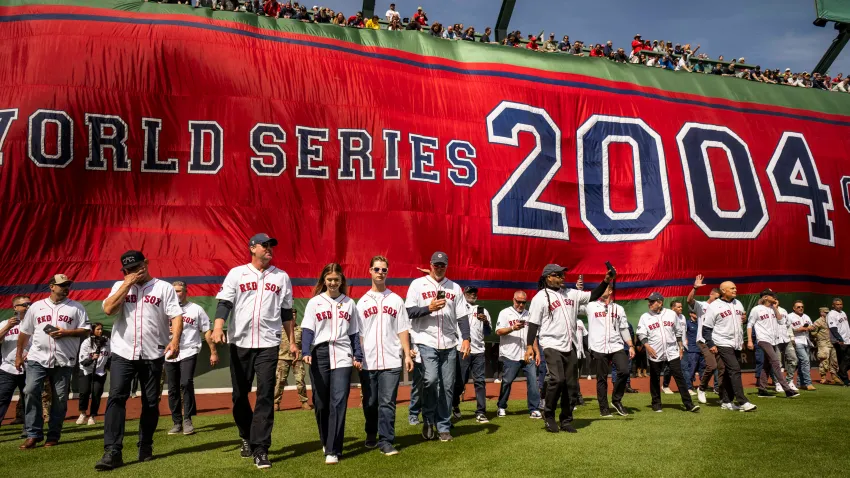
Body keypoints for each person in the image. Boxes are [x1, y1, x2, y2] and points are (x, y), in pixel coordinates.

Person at [211, 233, 295, 470]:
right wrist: (218, 327)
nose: (269, 249)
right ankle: (246, 435)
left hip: (269, 343)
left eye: (271, 246)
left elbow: (287, 312)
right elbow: (225, 302)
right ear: (252, 248)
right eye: (265, 245)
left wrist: (293, 341)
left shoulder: (281, 277)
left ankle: (261, 448)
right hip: (240, 343)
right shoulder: (237, 273)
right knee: (239, 396)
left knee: (266, 394)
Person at [95, 252, 182, 470]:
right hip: (123, 352)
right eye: (129, 269)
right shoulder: (119, 286)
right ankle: (112, 451)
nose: (134, 271)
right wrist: (127, 284)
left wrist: (175, 340)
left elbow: (176, 315)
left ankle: (146, 445)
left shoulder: (163, 288)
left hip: (153, 353)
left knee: (151, 403)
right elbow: (108, 309)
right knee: (116, 398)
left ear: (146, 263)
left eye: (137, 267)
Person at [525, 264, 614, 433]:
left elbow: (593, 295)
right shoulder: (540, 297)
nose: (562, 277)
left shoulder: (571, 293)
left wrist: (605, 281)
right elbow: (534, 324)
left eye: (563, 274)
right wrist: (530, 346)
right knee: (557, 379)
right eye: (558, 274)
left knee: (571, 385)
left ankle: (566, 420)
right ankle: (549, 414)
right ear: (548, 277)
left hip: (569, 344)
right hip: (550, 344)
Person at [17, 274, 90, 449]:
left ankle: (53, 435)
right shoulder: (36, 307)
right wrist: (19, 355)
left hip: (63, 359)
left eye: (67, 285)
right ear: (51, 286)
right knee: (30, 389)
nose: (65, 287)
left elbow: (86, 330)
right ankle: (33, 434)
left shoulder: (76, 307)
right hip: (38, 357)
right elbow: (24, 333)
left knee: (60, 399)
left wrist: (66, 333)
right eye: (62, 285)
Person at [405, 252, 471, 442]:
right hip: (426, 340)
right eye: (436, 264)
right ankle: (427, 419)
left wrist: (466, 338)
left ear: (447, 265)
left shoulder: (455, 288)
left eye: (442, 264)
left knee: (448, 386)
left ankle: (443, 425)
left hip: (449, 342)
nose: (439, 267)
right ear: (430, 264)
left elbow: (462, 316)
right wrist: (429, 308)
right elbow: (408, 311)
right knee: (431, 380)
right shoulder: (418, 285)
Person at [301, 263, 363, 465]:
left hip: (343, 352)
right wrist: (305, 350)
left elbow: (354, 332)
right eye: (329, 279)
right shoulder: (315, 303)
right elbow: (308, 329)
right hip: (320, 353)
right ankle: (326, 440)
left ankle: (333, 449)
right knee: (320, 402)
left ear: (341, 281)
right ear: (324, 281)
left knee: (339, 401)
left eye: (337, 279)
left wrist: (358, 355)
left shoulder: (349, 303)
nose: (333, 283)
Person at [355, 256, 413, 456]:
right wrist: (358, 356)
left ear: (388, 273)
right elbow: (359, 333)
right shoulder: (362, 302)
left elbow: (403, 329)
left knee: (387, 402)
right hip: (369, 360)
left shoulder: (396, 300)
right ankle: (371, 432)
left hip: (391, 359)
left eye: (384, 270)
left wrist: (407, 354)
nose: (380, 273)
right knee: (370, 402)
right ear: (370, 271)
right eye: (377, 269)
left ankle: (386, 440)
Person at [165, 282, 218, 436]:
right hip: (169, 352)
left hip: (189, 349)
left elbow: (207, 331)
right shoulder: (165, 310)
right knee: (173, 388)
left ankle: (187, 420)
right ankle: (177, 422)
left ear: (186, 292)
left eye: (179, 291)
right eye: (173, 291)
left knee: (186, 382)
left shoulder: (196, 309)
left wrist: (213, 352)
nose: (176, 294)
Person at [636, 293, 699, 413]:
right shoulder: (645, 317)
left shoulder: (671, 314)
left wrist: (680, 348)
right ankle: (656, 403)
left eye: (652, 301)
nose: (649, 303)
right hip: (655, 351)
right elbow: (641, 333)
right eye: (649, 301)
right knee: (655, 378)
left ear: (660, 302)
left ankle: (689, 404)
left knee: (679, 377)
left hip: (672, 351)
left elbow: (678, 332)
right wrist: (647, 346)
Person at [702, 281, 757, 412]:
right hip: (722, 342)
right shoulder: (714, 306)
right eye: (732, 288)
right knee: (735, 369)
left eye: (735, 288)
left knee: (727, 373)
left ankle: (726, 401)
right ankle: (742, 401)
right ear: (723, 291)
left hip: (736, 343)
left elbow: (741, 321)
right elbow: (706, 328)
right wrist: (711, 344)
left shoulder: (738, 303)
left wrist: (744, 320)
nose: (735, 290)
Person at [586, 284, 634, 417]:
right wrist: (579, 290)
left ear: (611, 291)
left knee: (624, 370)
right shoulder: (591, 306)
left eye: (605, 289)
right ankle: (604, 408)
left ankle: (616, 400)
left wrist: (630, 345)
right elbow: (576, 307)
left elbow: (624, 328)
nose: (601, 291)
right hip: (598, 346)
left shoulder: (619, 308)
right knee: (601, 378)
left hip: (616, 345)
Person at [495, 291, 541, 418]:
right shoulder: (505, 313)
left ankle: (534, 408)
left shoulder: (530, 314)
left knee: (533, 381)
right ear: (513, 300)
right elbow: (498, 331)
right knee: (507, 381)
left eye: (523, 302)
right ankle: (501, 406)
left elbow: (534, 336)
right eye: (518, 301)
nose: (521, 304)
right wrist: (512, 328)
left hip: (527, 354)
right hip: (510, 354)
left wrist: (537, 352)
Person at [746, 290, 800, 399]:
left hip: (773, 340)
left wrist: (775, 308)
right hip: (763, 339)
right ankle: (787, 389)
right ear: (765, 297)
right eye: (772, 296)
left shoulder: (773, 309)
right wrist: (750, 340)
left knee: (767, 365)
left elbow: (781, 322)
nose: (775, 298)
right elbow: (749, 324)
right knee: (775, 361)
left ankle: (762, 389)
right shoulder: (756, 309)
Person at [452, 286, 490, 423]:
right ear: (464, 294)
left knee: (480, 381)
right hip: (462, 349)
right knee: (460, 382)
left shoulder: (482, 310)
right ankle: (455, 404)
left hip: (479, 350)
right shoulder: (458, 308)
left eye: (474, 292)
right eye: (469, 292)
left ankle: (481, 412)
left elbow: (487, 332)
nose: (473, 294)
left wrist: (485, 321)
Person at [687, 276, 723, 405]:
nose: (717, 300)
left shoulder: (721, 307)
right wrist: (695, 288)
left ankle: (721, 392)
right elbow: (689, 300)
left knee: (722, 368)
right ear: (711, 294)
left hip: (719, 340)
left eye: (720, 298)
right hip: (703, 340)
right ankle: (701, 388)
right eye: (716, 297)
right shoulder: (702, 305)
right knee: (712, 365)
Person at [0, 296, 31, 436]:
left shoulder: (33, 324)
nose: (28, 307)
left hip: (29, 367)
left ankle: (28, 429)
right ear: (15, 308)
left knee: (29, 400)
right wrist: (8, 327)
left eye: (29, 304)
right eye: (24, 304)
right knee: (2, 399)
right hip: (8, 368)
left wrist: (29, 354)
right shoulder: (4, 323)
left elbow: (39, 343)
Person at [274, 310, 310, 411]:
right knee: (280, 381)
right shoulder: (280, 329)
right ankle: (276, 403)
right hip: (282, 358)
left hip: (297, 359)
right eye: (291, 316)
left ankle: (304, 402)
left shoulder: (300, 330)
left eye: (294, 316)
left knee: (300, 380)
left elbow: (304, 344)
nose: (293, 318)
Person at [77, 323, 110, 426]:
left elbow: (110, 356)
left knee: (96, 394)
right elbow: (83, 361)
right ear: (92, 330)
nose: (100, 331)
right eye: (98, 329)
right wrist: (92, 358)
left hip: (99, 372)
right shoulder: (86, 343)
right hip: (86, 371)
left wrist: (108, 366)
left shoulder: (107, 342)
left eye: (101, 329)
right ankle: (82, 413)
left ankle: (92, 416)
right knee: (84, 392)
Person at [662, 301, 691, 395]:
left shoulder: (683, 317)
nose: (681, 308)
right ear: (673, 308)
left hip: (682, 346)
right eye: (678, 307)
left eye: (681, 307)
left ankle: (688, 388)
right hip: (671, 347)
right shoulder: (667, 317)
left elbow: (683, 331)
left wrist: (684, 341)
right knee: (669, 369)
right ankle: (665, 386)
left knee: (684, 367)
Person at [787, 301, 816, 390]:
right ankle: (808, 383)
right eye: (798, 307)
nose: (800, 308)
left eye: (802, 307)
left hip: (806, 341)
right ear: (794, 308)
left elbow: (811, 326)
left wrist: (812, 327)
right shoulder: (790, 316)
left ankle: (800, 383)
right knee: (805, 361)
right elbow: (788, 329)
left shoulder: (806, 316)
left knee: (801, 363)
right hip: (796, 341)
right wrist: (799, 329)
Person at [811, 307, 840, 384]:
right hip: (823, 343)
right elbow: (813, 332)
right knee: (824, 360)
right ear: (821, 313)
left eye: (828, 312)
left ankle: (834, 377)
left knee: (834, 360)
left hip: (831, 342)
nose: (827, 314)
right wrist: (819, 338)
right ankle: (823, 378)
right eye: (826, 312)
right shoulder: (818, 321)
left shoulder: (830, 320)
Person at [826, 298, 850, 385]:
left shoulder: (843, 313)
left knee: (846, 360)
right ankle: (845, 379)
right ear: (833, 305)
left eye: (841, 304)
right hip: (839, 341)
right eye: (837, 304)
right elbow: (833, 328)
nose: (840, 306)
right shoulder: (831, 314)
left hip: (847, 340)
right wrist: (839, 339)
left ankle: (840, 373)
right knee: (843, 360)